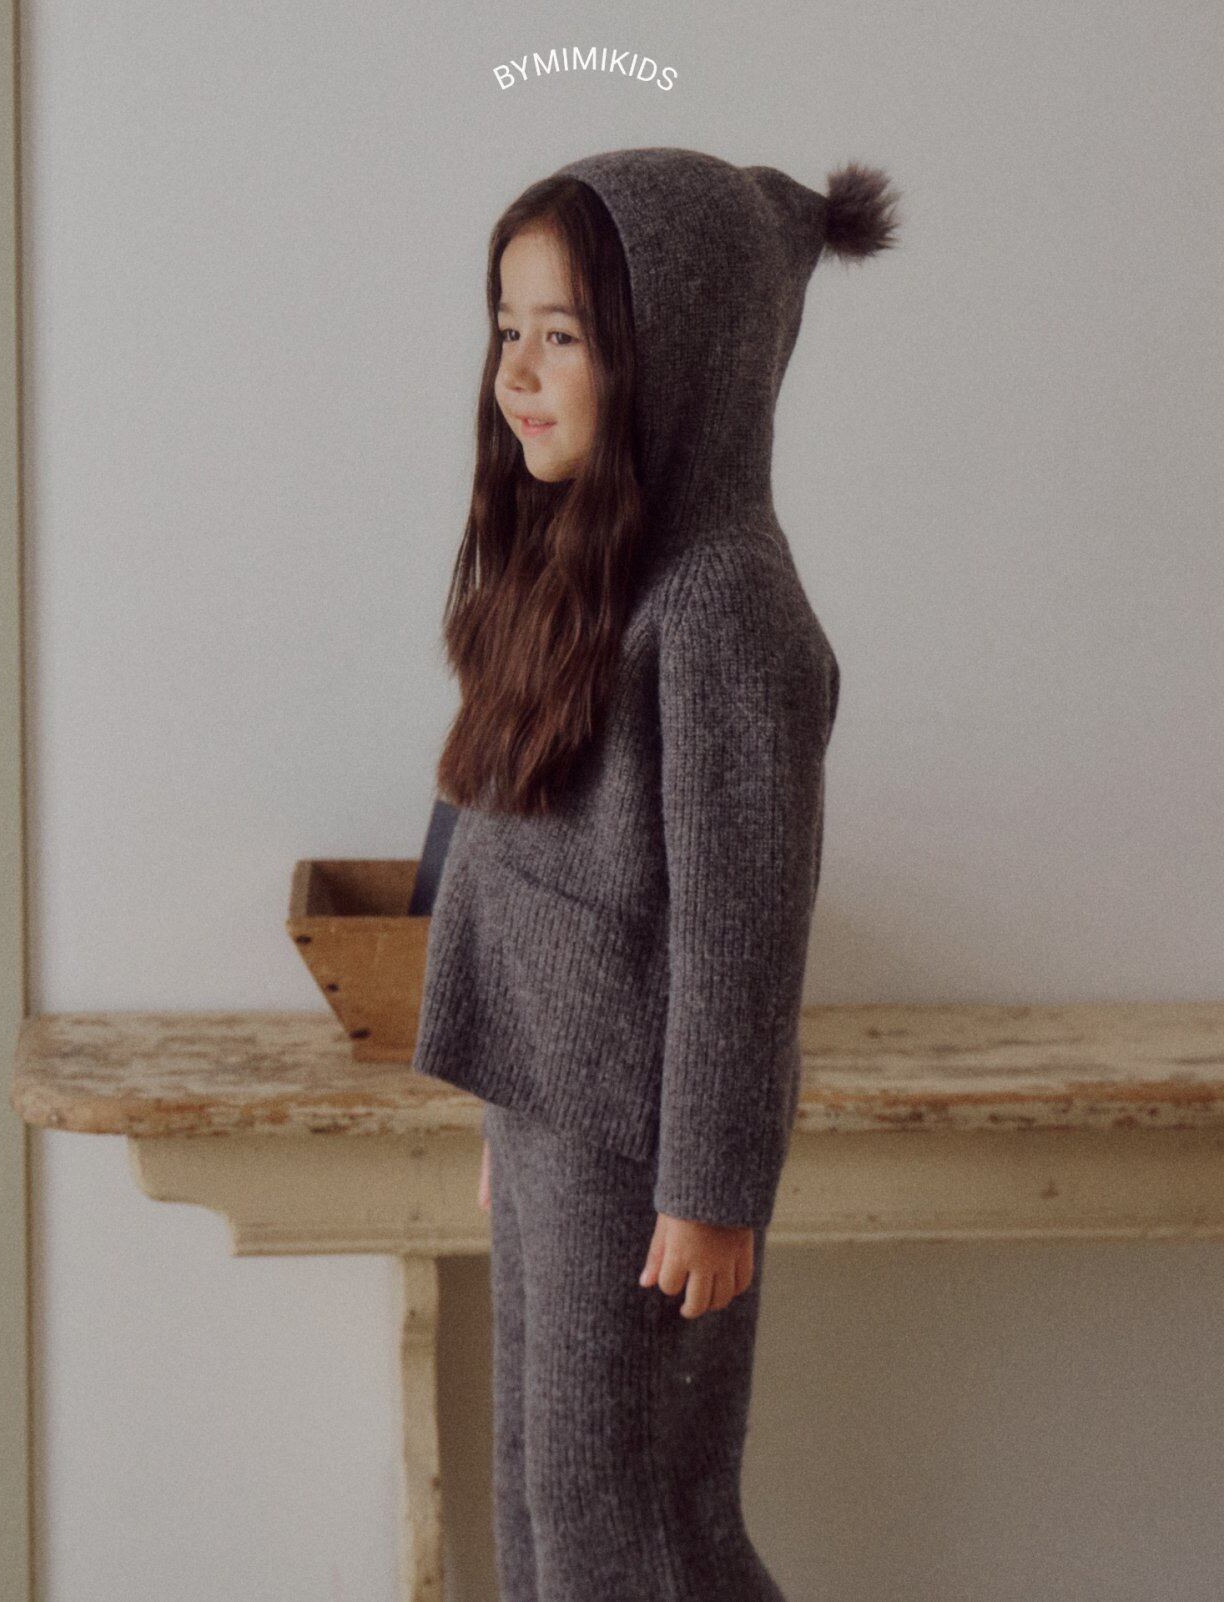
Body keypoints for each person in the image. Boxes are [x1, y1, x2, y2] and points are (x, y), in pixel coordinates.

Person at [410, 145, 900, 1602]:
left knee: (634, 1517)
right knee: (542, 1489)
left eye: (563, 336)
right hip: (556, 1113)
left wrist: (713, 1184)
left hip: (643, 1145)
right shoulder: (586, 566)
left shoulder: (725, 602)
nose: (518, 372)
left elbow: (744, 935)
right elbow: (518, 858)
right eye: (509, 328)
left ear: (674, 358)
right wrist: (511, 1092)